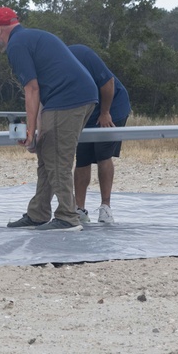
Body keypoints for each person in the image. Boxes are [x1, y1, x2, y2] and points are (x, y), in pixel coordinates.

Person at [0, 7, 97, 231]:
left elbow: (32, 90)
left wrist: (29, 131)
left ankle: (68, 217)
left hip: (69, 99)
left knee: (57, 160)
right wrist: (36, 134)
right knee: (47, 155)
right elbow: (43, 93)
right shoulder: (32, 36)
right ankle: (38, 214)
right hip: (74, 97)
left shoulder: (16, 46)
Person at [69, 44, 131, 225]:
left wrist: (105, 112)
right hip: (87, 111)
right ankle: (79, 210)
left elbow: (108, 83)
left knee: (103, 154)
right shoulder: (52, 67)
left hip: (112, 107)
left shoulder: (82, 54)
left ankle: (106, 208)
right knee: (82, 157)